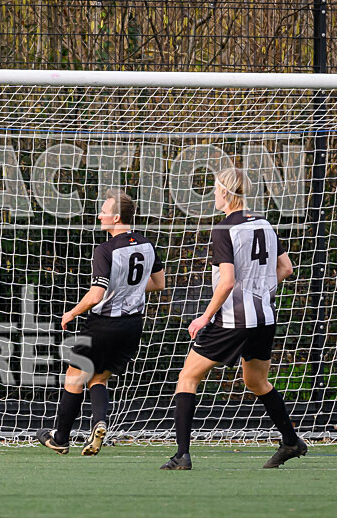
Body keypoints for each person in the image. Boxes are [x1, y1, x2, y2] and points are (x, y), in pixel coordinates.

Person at [160, 167, 305, 470]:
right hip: (264, 319)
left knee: (188, 377)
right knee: (257, 381)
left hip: (233, 321)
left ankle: (182, 455)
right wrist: (260, 292)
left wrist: (204, 317)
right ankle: (291, 441)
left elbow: (226, 282)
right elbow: (287, 268)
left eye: (215, 189)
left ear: (225, 192)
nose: (213, 194)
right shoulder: (264, 223)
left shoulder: (224, 229)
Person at [37, 189, 165, 455]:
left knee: (74, 377)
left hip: (103, 324)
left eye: (104, 212)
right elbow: (158, 283)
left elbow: (96, 295)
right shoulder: (147, 245)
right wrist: (128, 290)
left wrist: (72, 313)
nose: (99, 216)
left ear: (117, 218)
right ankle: (99, 422)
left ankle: (60, 438)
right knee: (98, 378)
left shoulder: (105, 250)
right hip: (132, 326)